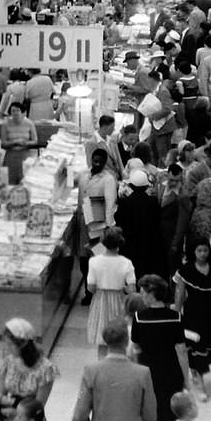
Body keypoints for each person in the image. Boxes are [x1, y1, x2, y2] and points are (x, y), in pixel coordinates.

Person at [71, 320, 157, 421]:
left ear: (105, 341)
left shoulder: (91, 371)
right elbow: (150, 415)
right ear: (127, 340)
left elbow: (79, 415)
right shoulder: (143, 373)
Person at [131, 274, 190, 421]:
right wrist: (186, 378)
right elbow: (181, 351)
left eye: (143, 292)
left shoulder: (139, 318)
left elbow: (136, 349)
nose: (141, 295)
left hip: (147, 371)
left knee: (149, 409)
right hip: (171, 371)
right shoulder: (176, 318)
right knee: (170, 410)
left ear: (151, 294)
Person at [173, 238, 211, 402]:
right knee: (198, 346)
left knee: (205, 347)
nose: (203, 254)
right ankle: (200, 383)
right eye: (199, 251)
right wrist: (176, 314)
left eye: (205, 250)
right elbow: (180, 294)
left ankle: (196, 372)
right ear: (193, 252)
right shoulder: (186, 270)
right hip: (193, 313)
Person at [0, 318, 59, 421]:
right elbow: (1, 391)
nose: (7, 349)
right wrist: (3, 400)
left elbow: (39, 405)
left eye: (11, 345)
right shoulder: (9, 361)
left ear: (23, 344)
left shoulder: (45, 369)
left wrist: (16, 412)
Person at [86, 227, 136, 358]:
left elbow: (90, 288)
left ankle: (102, 365)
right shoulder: (126, 263)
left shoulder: (94, 261)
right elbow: (132, 290)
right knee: (119, 337)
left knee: (102, 340)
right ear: (120, 244)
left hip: (100, 300)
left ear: (103, 243)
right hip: (119, 301)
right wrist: (123, 288)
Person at [78, 149, 118, 305]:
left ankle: (99, 292)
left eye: (100, 161)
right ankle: (88, 291)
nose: (97, 164)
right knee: (83, 258)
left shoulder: (108, 179)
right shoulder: (84, 175)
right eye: (95, 160)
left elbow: (110, 203)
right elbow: (71, 183)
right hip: (84, 219)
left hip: (98, 222)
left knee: (98, 258)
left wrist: (108, 226)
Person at [115, 171, 165, 281]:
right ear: (146, 186)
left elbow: (118, 220)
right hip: (148, 243)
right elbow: (157, 220)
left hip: (130, 242)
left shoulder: (125, 202)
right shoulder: (152, 201)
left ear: (131, 185)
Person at [159, 163, 192, 277]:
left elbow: (182, 222)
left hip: (173, 236)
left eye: (176, 181)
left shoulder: (183, 195)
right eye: (171, 179)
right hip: (161, 235)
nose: (173, 183)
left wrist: (176, 242)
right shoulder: (162, 188)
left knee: (174, 267)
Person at [2, 102, 38, 184]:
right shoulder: (5, 124)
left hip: (25, 155)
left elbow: (35, 141)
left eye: (17, 110)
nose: (15, 113)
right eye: (13, 111)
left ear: (22, 112)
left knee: (25, 181)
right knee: (9, 182)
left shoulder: (29, 123)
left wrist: (25, 143)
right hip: (11, 156)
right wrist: (13, 143)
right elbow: (3, 143)